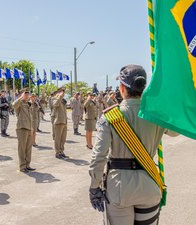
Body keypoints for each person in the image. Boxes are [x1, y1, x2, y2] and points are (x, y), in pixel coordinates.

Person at [89, 65, 178, 225]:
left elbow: (98, 156)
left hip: (120, 189)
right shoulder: (156, 114)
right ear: (143, 88)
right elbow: (175, 131)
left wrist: (94, 187)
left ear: (122, 88)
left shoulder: (110, 116)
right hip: (149, 185)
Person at [12, 88, 35, 173]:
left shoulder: (28, 104)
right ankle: (22, 166)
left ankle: (27, 165)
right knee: (22, 148)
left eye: (28, 94)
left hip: (29, 128)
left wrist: (32, 128)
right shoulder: (20, 103)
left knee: (28, 148)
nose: (27, 95)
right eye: (25, 93)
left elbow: (30, 118)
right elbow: (13, 105)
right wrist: (20, 98)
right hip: (22, 128)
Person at [53, 87, 68, 159]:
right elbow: (55, 104)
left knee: (63, 138)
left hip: (64, 121)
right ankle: (57, 152)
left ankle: (61, 151)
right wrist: (59, 97)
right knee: (58, 138)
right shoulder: (55, 98)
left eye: (64, 92)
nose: (63, 93)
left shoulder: (63, 100)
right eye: (62, 92)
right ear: (58, 92)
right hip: (58, 121)